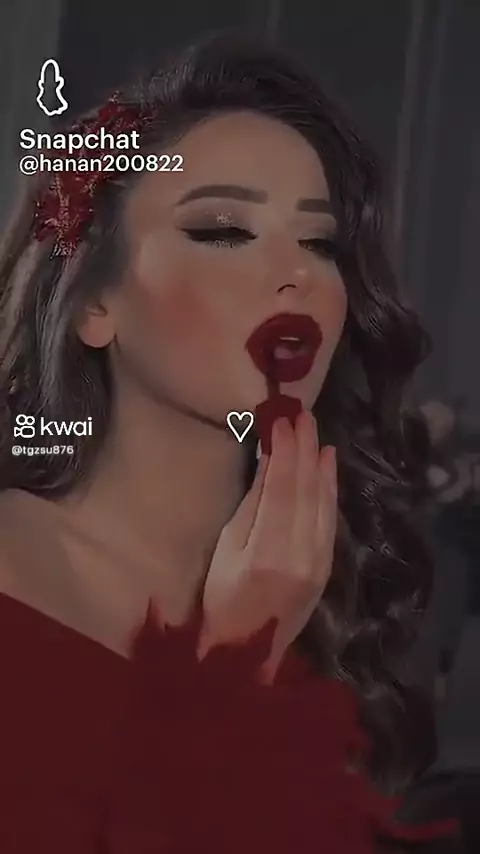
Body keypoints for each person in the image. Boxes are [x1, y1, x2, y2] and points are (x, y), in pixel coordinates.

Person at [0, 32, 459, 853]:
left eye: (320, 242)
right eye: (221, 230)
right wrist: (238, 667)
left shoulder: (345, 597)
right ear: (93, 304)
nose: (298, 275)